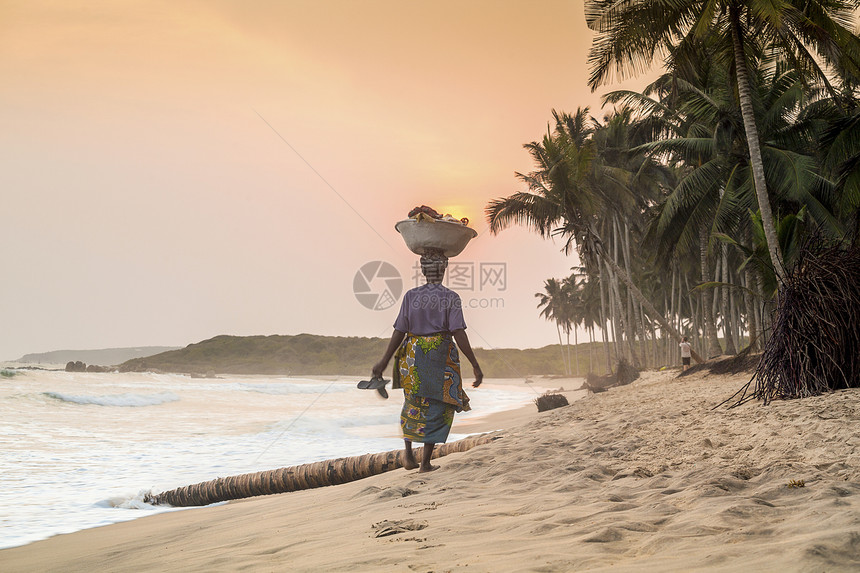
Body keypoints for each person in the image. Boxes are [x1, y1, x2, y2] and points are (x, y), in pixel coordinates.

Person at [372, 251, 483, 473]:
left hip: (411, 354)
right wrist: (475, 364)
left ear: (423, 270)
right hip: (438, 354)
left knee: (412, 403)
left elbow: (399, 331)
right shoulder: (450, 297)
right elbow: (458, 332)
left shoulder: (411, 296)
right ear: (444, 269)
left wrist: (384, 361)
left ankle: (409, 455)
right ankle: (425, 463)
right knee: (437, 406)